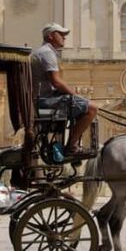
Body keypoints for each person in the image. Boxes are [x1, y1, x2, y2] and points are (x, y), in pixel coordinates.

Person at [31, 23, 98, 158]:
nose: (64, 38)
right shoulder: (47, 53)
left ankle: (72, 144)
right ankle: (71, 147)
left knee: (82, 105)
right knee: (92, 108)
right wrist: (75, 95)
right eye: (60, 34)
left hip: (43, 99)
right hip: (45, 102)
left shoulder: (44, 52)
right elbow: (56, 82)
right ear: (50, 36)